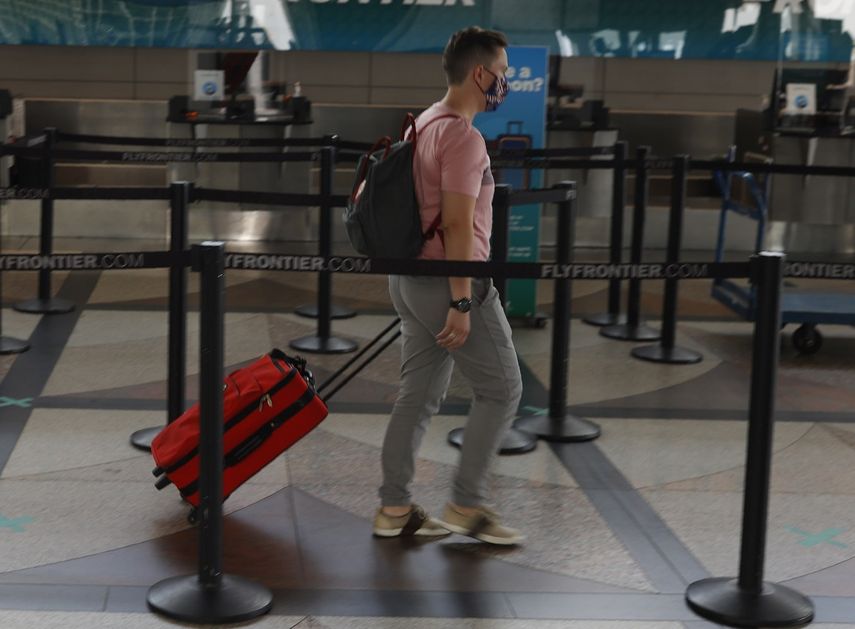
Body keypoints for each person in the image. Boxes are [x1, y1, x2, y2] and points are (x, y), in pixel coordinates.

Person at [372, 26, 524, 546]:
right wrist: (463, 299)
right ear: (480, 74)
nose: (504, 82)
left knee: (416, 397)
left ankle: (393, 508)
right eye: (502, 73)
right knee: (502, 389)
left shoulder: (425, 123)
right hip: (449, 283)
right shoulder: (462, 136)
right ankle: (465, 503)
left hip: (409, 280)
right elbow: (458, 225)